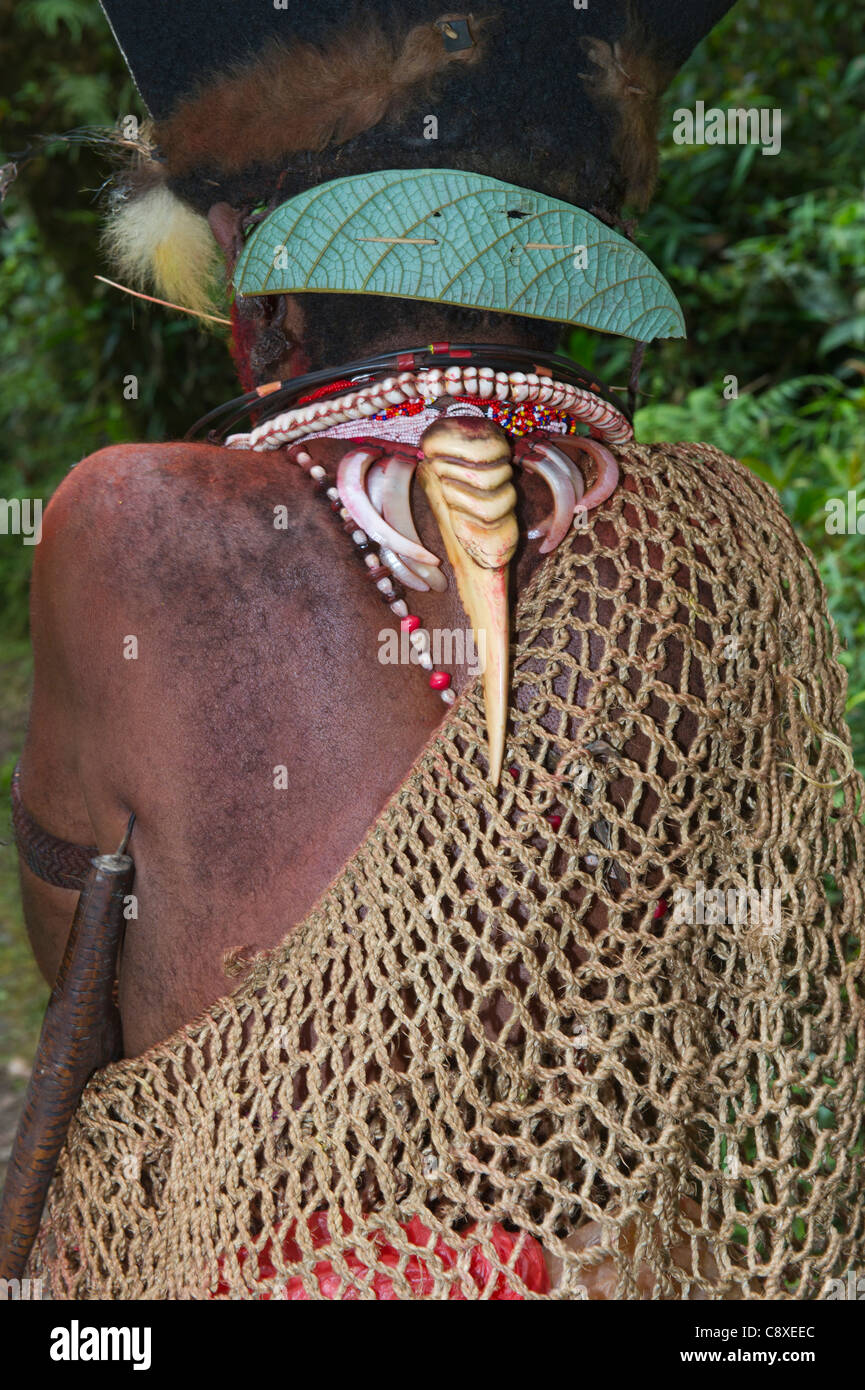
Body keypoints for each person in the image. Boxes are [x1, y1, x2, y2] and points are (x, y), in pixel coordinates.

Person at [12, 1, 864, 1300]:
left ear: (251, 276)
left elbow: (78, 952)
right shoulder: (721, 553)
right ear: (586, 244)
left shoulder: (136, 529)